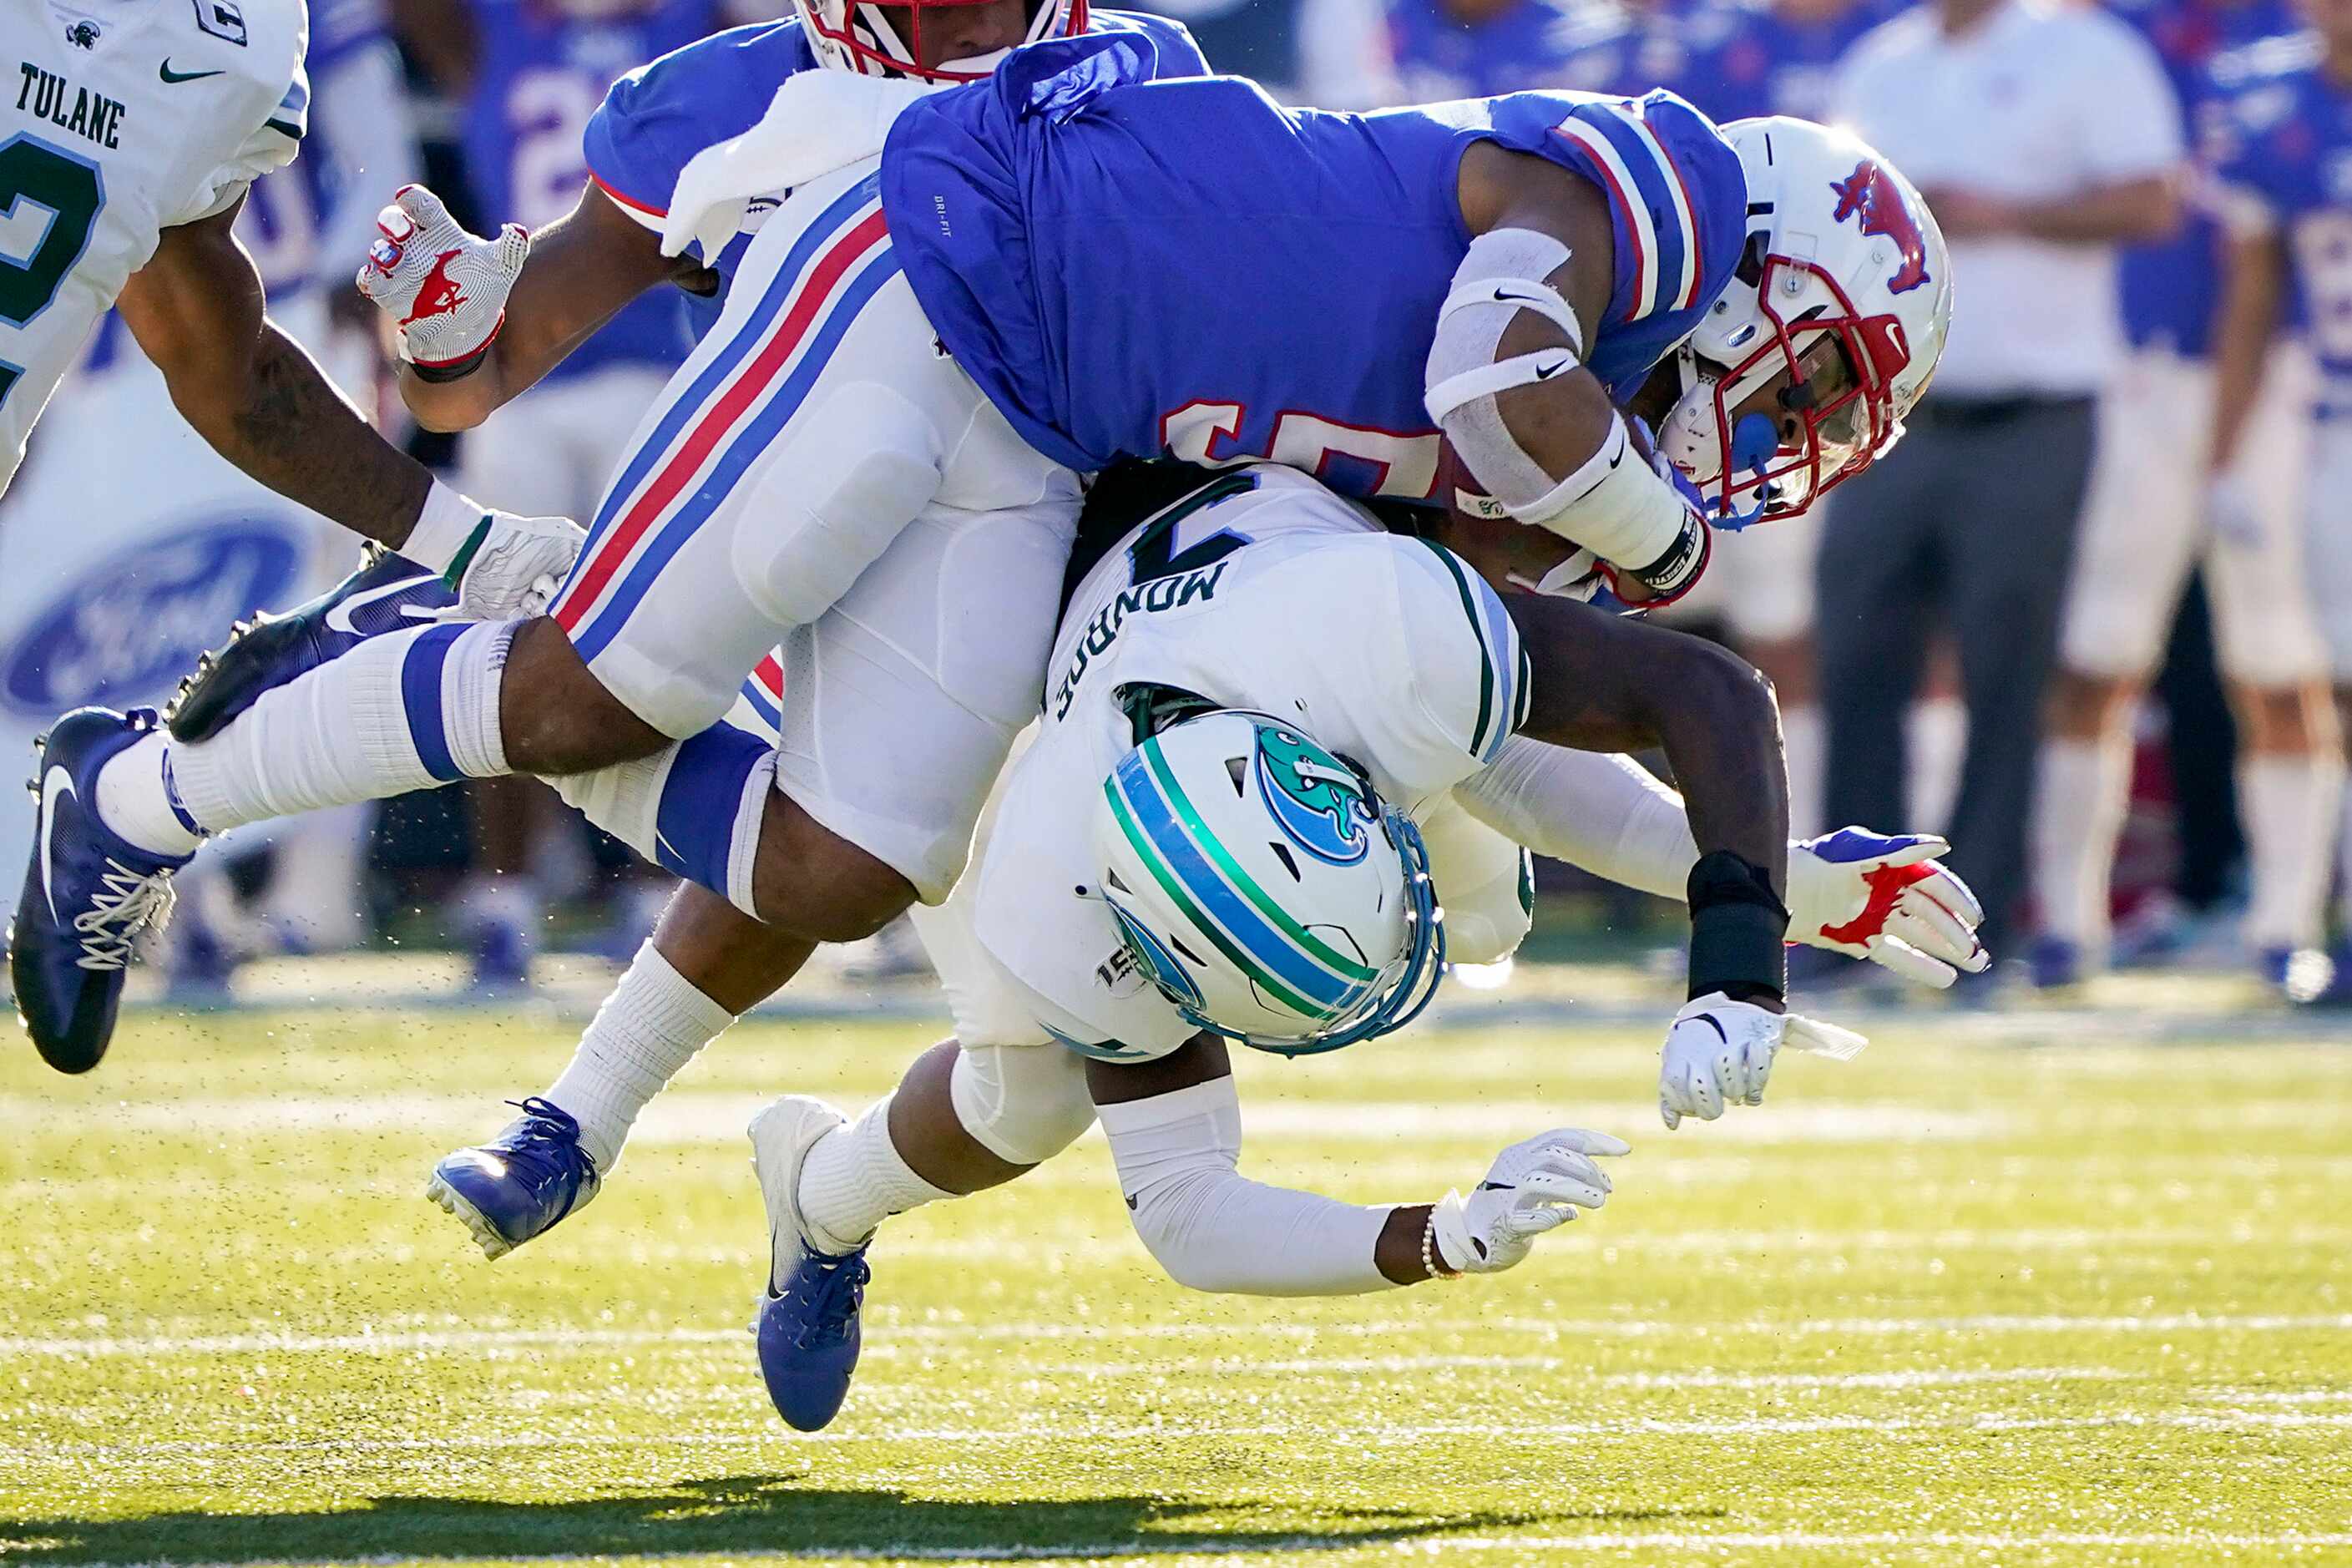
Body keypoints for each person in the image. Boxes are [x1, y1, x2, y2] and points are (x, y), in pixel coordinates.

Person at [27, 63, 1938, 1144]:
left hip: (1036, 430)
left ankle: (346, 695)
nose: (1783, 434)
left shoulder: (1520, 498)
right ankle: (142, 794)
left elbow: (1497, 728)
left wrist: (1758, 880)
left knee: (848, 865)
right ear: (1773, 264)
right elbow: (1496, 372)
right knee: (586, 701)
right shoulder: (1652, 196)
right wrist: (1678, 552)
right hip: (932, 271)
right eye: (1808, 380)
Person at [738, 459, 1981, 1431]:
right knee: (1028, 1098)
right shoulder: (1056, 877)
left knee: (1489, 907)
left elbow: (1667, 708)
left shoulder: (1373, 643)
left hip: (1292, 607)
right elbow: (1183, 1207)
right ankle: (825, 1197)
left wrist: (1774, 909)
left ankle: (822, 1189)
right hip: (1042, 684)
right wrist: (1441, 1236)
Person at [1823, 0, 2187, 977]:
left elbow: (2156, 201)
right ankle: (1841, 914)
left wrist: (2006, 211)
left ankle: (1977, 925)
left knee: (2007, 666)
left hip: (2035, 408)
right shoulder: (1880, 64)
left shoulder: (2084, 50)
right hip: (1883, 417)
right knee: (1855, 656)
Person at [2030, 4, 2327, 994]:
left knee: (2284, 670)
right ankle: (2067, 921)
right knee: (2095, 656)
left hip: (2288, 387)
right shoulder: (2100, 33)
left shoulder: (2292, 43)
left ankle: (2286, 923)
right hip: (2135, 371)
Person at [1649, 0, 1900, 836]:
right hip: (1701, 352)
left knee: (1783, 624)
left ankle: (1793, 845)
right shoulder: (1706, 38)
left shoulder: (1893, 42)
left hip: (1793, 373)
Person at [2207, 0, 2352, 992]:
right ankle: (2327, 922)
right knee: (2336, 680)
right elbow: (2253, 296)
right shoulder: (2280, 106)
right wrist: (2221, 456)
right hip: (2335, 422)